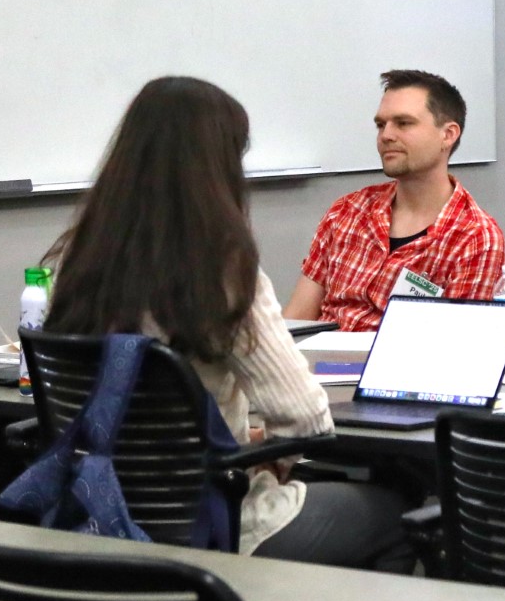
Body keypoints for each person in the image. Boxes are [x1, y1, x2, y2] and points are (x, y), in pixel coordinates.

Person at [50, 75, 408, 569]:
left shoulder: (75, 260)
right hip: (215, 521)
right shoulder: (219, 269)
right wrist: (264, 458)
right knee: (398, 511)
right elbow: (305, 417)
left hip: (99, 517)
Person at [286, 70, 505, 331]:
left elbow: (452, 349)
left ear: (447, 135)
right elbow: (297, 319)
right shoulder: (346, 211)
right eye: (381, 125)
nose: (386, 135)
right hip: (318, 366)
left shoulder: (475, 238)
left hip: (401, 368)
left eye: (403, 123)